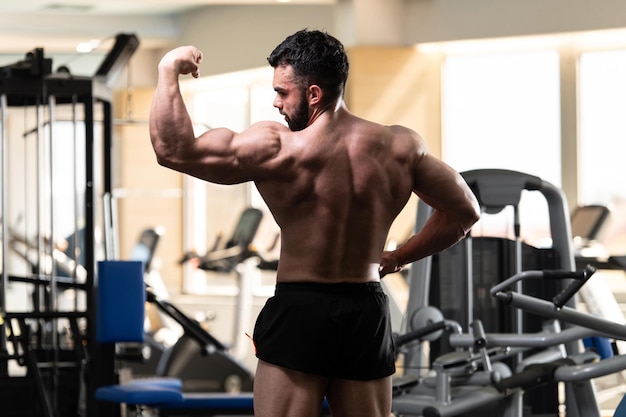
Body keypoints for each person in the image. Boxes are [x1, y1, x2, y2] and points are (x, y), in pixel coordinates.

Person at [149, 29, 480, 417]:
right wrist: (397, 257)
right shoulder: (400, 148)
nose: (275, 103)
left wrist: (168, 68)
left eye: (282, 92)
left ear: (314, 94)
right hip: (366, 310)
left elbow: (172, 149)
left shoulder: (276, 148)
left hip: (301, 309)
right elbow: (465, 212)